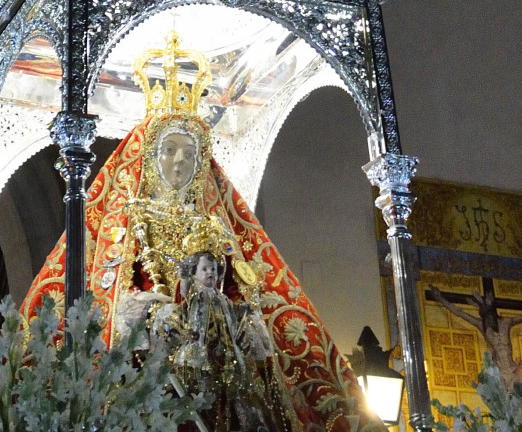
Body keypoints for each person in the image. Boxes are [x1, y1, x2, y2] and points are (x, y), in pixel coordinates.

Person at [22, 31, 377, 432]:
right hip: (153, 352)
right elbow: (107, 286)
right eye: (169, 151)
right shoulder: (131, 215)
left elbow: (242, 284)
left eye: (191, 154)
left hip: (216, 351)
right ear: (150, 158)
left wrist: (241, 320)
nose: (180, 163)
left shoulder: (211, 222)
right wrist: (153, 312)